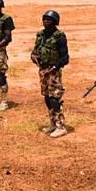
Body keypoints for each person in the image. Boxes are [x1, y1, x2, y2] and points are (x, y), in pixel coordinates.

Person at [32, 10, 69, 138]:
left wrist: (53, 68)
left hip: (53, 71)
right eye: (44, 19)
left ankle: (60, 126)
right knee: (47, 97)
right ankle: (52, 122)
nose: (46, 21)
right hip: (42, 70)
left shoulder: (59, 36)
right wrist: (33, 56)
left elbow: (65, 57)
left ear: (55, 22)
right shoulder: (41, 35)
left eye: (49, 20)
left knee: (54, 98)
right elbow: (35, 50)